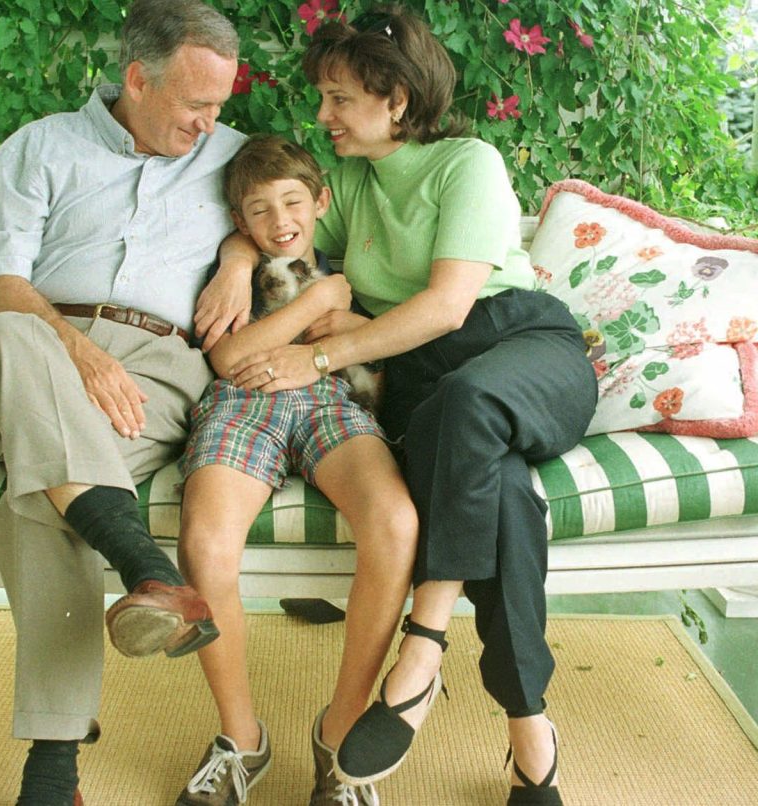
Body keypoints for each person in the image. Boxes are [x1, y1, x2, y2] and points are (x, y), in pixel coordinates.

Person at [224, 8, 598, 805]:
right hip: (427, 384)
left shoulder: (469, 162)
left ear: (396, 99)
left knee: (468, 402)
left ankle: (423, 647)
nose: (323, 116)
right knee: (496, 490)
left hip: (522, 347)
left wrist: (321, 354)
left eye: (339, 98)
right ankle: (531, 729)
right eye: (323, 98)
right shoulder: (349, 179)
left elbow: (448, 306)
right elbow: (277, 223)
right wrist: (234, 258)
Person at [0, 2, 252, 803]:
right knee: (6, 336)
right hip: (31, 357)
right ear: (136, 78)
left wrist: (241, 255)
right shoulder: (42, 148)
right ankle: (146, 568)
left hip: (155, 373)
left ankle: (52, 773)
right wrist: (74, 349)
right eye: (195, 105)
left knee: (46, 494)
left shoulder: (232, 157)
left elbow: (295, 213)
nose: (209, 123)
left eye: (219, 105)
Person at [175, 134, 418, 806]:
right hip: (243, 402)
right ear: (239, 223)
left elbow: (373, 345)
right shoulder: (235, 277)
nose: (280, 220)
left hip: (330, 402)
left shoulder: (356, 268)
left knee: (395, 522)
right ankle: (241, 741)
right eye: (259, 210)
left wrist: (345, 306)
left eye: (292, 202)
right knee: (204, 543)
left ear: (320, 200)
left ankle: (339, 739)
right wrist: (316, 303)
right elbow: (228, 360)